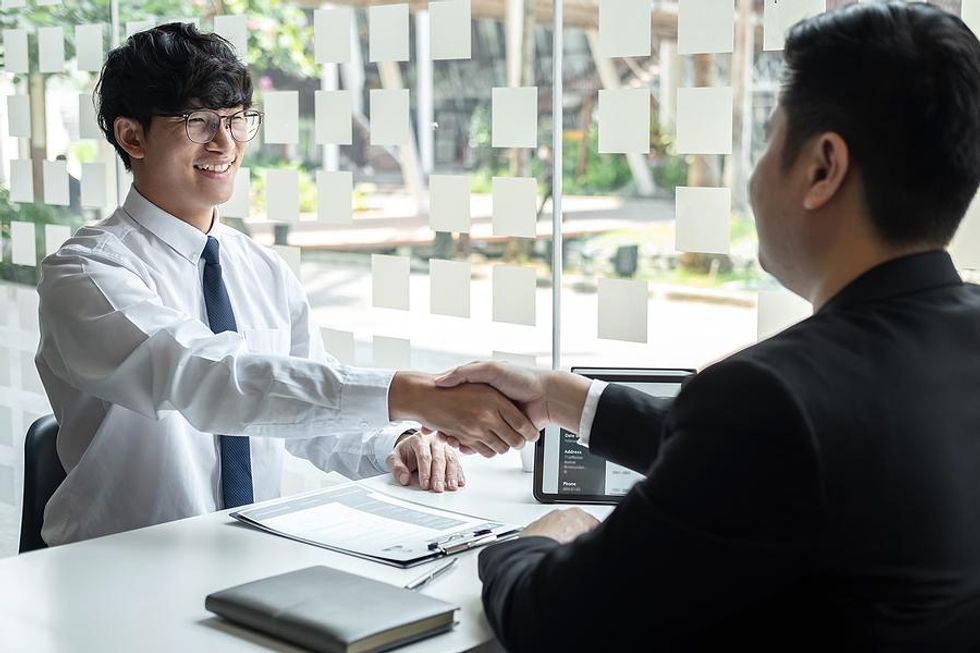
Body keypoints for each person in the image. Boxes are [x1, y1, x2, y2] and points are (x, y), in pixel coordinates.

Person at [434, 3, 980, 650]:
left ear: (821, 169)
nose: (753, 176)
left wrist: (529, 542)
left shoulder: (770, 398)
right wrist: (561, 397)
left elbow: (554, 620)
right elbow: (777, 463)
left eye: (770, 137)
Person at [34, 23, 537, 546]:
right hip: (114, 569)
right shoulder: (85, 275)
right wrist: (409, 395)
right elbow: (208, 378)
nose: (225, 143)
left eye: (236, 121)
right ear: (131, 136)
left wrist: (398, 440)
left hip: (252, 555)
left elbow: (307, 406)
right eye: (198, 122)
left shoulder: (260, 268)